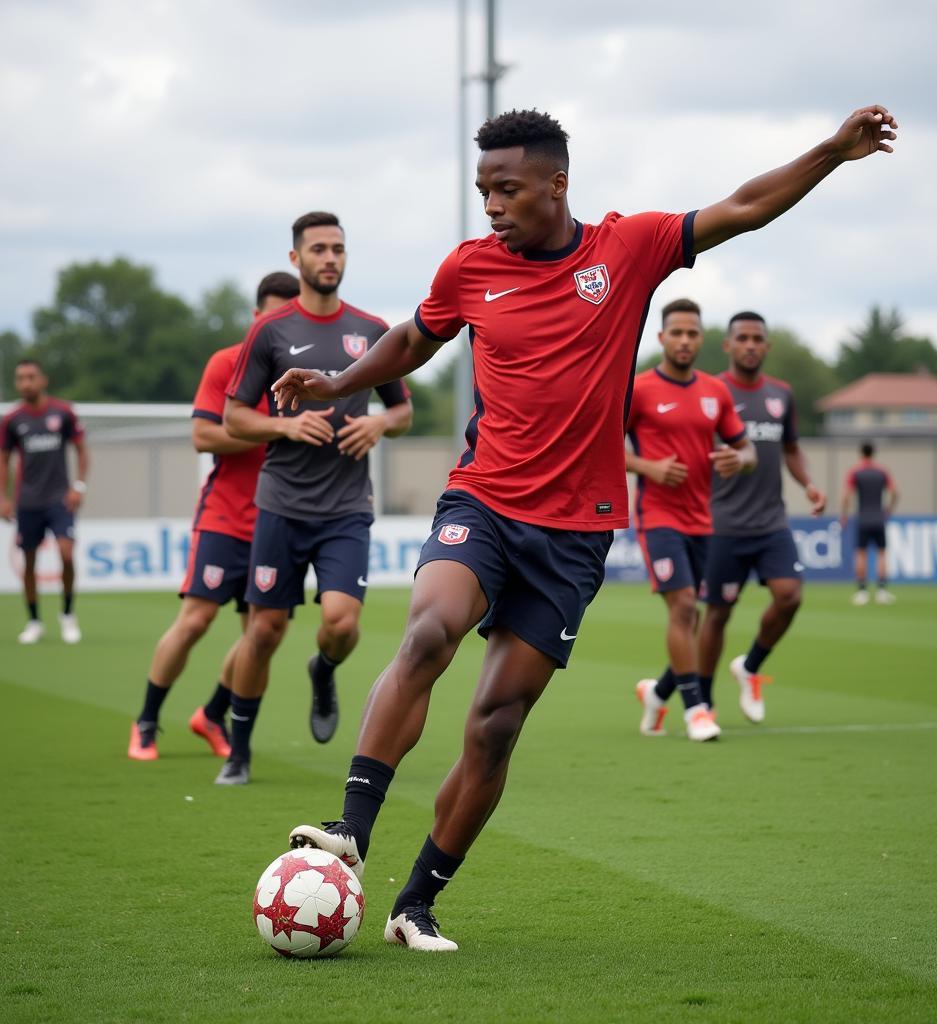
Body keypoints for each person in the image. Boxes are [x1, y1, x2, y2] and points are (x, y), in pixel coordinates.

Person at [273, 105, 898, 951]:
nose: (491, 206)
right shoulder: (470, 267)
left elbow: (743, 206)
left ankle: (415, 903)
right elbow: (414, 340)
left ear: (556, 183)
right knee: (427, 633)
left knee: (495, 726)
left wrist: (830, 151)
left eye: (507, 188)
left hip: (575, 533)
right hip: (484, 501)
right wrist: (338, 382)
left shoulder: (626, 249)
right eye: (482, 190)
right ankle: (350, 828)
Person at [218, 211, 413, 786]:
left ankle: (323, 669)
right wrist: (285, 427)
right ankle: (239, 750)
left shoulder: (373, 329)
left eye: (338, 249)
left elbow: (401, 409)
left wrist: (379, 425)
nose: (330, 258)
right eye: (319, 249)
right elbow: (233, 417)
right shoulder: (271, 331)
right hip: (281, 504)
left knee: (342, 624)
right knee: (264, 631)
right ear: (296, 259)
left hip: (346, 507)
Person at [127, 272, 301, 762]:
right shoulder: (229, 363)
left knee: (263, 636)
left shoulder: (308, 372)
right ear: (255, 316)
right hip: (226, 518)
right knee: (196, 619)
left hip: (280, 520)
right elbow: (204, 437)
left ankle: (212, 713)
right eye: (272, 314)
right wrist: (275, 430)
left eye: (290, 315)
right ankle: (146, 722)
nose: (280, 325)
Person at [628, 298, 755, 742]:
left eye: (692, 333)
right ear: (662, 338)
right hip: (657, 516)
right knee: (683, 606)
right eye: (676, 333)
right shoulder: (639, 390)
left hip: (702, 519)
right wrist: (649, 468)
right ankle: (696, 708)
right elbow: (602, 447)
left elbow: (748, 449)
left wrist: (739, 460)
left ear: (702, 339)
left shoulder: (715, 392)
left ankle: (657, 693)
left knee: (692, 617)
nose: (684, 340)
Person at [697, 312, 826, 724]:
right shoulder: (711, 392)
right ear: (729, 345)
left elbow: (791, 449)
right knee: (717, 613)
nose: (751, 345)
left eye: (758, 339)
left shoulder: (782, 395)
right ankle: (703, 703)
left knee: (790, 595)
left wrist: (807, 483)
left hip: (771, 521)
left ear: (766, 347)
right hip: (722, 523)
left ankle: (750, 665)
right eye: (743, 338)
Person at [1, 359, 89, 645]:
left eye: (30, 377)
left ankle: (67, 615)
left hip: (59, 499)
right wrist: (3, 496)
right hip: (28, 501)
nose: (25, 383)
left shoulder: (63, 413)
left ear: (43, 380)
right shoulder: (12, 420)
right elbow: (4, 461)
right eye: (20, 378)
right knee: (28, 561)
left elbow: (82, 451)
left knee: (66, 553)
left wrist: (78, 486)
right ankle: (35, 620)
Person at [841, 441, 898, 605]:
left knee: (861, 554)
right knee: (881, 553)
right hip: (879, 517)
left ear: (861, 453)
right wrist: (889, 509)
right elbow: (895, 492)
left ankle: (862, 592)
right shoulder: (882, 471)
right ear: (874, 452)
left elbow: (846, 495)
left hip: (863, 518)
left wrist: (844, 514)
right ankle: (882, 591)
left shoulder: (856, 472)